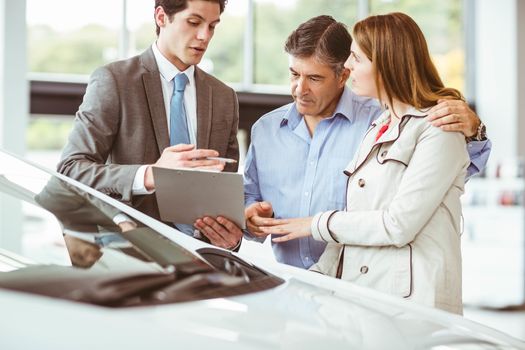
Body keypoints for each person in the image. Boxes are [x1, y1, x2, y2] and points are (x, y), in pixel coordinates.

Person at [195, 15, 491, 267]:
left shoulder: (381, 122)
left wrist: (473, 129)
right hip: (290, 282)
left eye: (314, 78)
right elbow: (250, 197)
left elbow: (447, 175)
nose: (300, 89)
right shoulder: (266, 130)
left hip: (362, 283)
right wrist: (251, 216)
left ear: (343, 75)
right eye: (294, 74)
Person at [258, 12, 472, 314]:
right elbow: (355, 217)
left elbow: (397, 225)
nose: (346, 66)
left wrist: (314, 225)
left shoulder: (437, 128)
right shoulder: (380, 126)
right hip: (365, 300)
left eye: (355, 59)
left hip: (415, 307)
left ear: (385, 64)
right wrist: (313, 280)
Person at [57, 0, 239, 246]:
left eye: (213, 26)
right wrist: (151, 174)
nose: (204, 36)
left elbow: (224, 197)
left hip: (205, 263)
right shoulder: (115, 81)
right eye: (194, 22)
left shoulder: (224, 96)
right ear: (161, 17)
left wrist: (231, 240)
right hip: (134, 256)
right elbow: (70, 170)